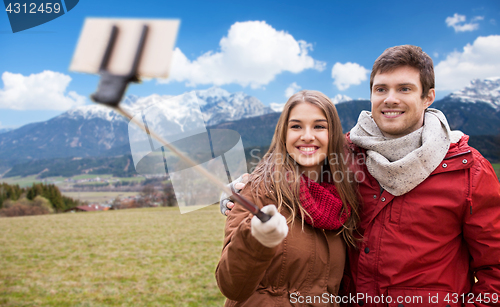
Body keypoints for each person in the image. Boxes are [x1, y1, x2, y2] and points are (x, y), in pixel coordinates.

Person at [221, 45, 500, 306]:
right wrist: (242, 188)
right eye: (381, 89)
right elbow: (292, 165)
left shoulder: (466, 170)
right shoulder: (345, 156)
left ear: (428, 97)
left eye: (404, 88)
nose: (390, 99)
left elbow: (495, 270)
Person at [215, 90, 360, 306]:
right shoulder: (258, 189)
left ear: (333, 135)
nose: (308, 136)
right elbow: (232, 285)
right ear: (284, 134)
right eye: (296, 126)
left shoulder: (343, 199)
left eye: (319, 126)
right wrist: (256, 238)